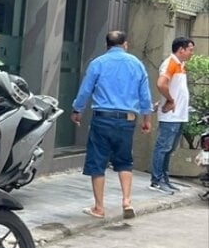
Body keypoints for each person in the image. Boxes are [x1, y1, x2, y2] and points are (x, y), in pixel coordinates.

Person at [70, 30, 153, 220]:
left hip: (102, 119)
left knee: (97, 162)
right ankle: (126, 201)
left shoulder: (98, 63)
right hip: (128, 120)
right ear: (125, 44)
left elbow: (85, 90)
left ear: (107, 45)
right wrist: (147, 119)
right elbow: (145, 95)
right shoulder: (136, 64)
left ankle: (99, 208)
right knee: (125, 161)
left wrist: (77, 110)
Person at [149, 36, 195, 194]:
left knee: (169, 149)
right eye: (190, 50)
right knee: (163, 148)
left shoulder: (180, 65)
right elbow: (161, 83)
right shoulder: (171, 63)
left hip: (179, 115)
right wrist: (169, 100)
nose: (191, 53)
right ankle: (156, 180)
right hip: (170, 116)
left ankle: (164, 178)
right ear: (181, 49)